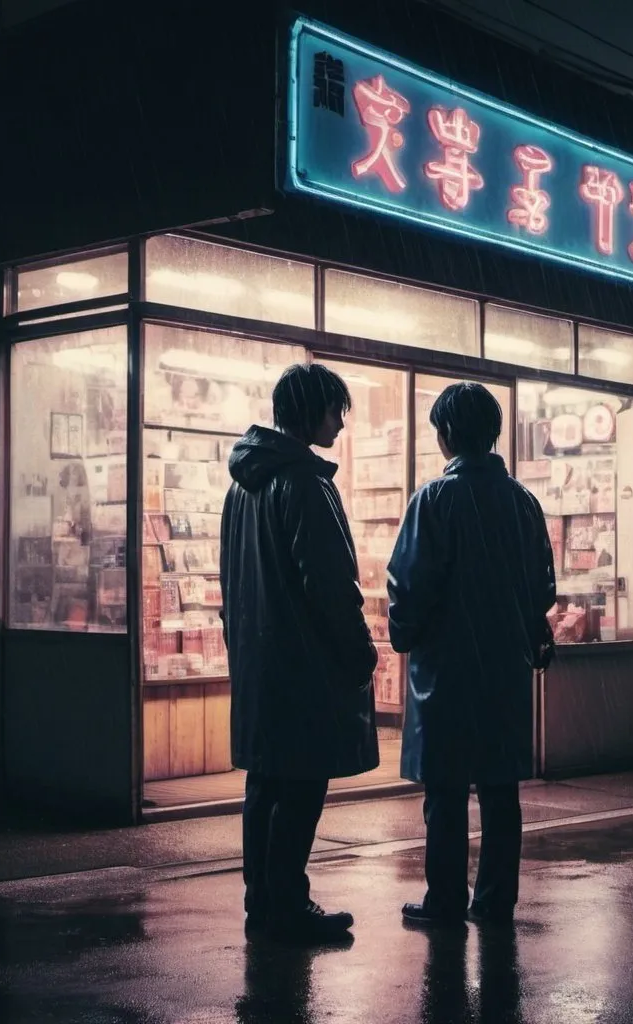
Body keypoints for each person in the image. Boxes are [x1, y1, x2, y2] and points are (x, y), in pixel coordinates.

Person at [220, 362, 379, 942]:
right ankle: (288, 904)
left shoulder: (244, 485)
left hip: (261, 663)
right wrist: (359, 650)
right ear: (312, 410)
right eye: (336, 409)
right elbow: (330, 583)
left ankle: (263, 901)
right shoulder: (305, 482)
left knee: (264, 786)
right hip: (304, 665)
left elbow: (232, 582)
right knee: (304, 785)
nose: (340, 421)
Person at [387, 381, 556, 927]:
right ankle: (495, 900)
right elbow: (542, 588)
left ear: (446, 435)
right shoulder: (523, 503)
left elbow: (409, 585)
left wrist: (403, 632)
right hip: (505, 670)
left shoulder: (434, 500)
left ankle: (444, 901)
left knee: (447, 792)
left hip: (447, 671)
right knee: (500, 791)